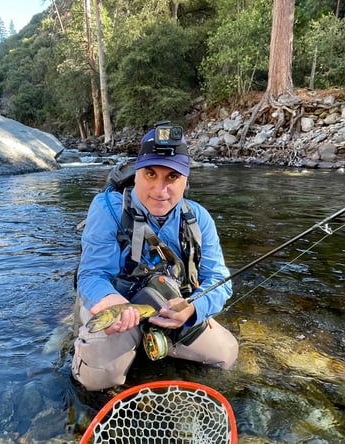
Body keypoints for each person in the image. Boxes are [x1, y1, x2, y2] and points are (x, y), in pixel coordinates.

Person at [72, 121, 239, 391]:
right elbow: (91, 274)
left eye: (172, 177)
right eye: (150, 174)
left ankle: (146, 348)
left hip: (168, 308)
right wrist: (108, 299)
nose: (160, 191)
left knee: (226, 354)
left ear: (186, 180)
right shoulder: (107, 208)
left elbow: (219, 279)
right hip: (119, 308)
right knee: (97, 380)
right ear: (136, 173)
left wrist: (194, 308)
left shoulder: (199, 219)